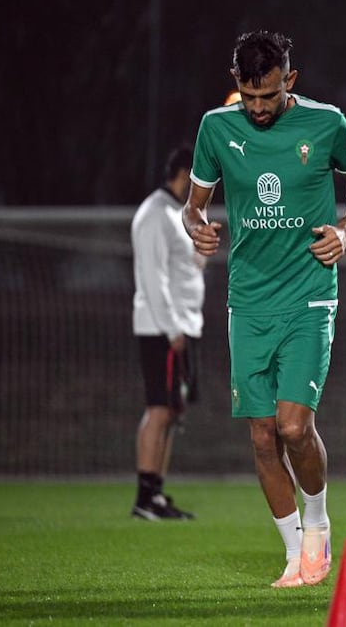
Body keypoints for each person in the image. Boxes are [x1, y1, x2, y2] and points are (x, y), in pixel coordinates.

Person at [183, 31, 346, 588]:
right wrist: (198, 228)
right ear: (236, 85)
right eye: (249, 97)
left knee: (294, 426)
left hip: (309, 294)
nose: (259, 107)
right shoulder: (216, 128)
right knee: (262, 435)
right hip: (248, 301)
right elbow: (192, 208)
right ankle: (296, 555)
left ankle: (318, 525)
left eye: (268, 95)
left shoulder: (326, 122)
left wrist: (345, 229)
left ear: (290, 80)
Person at [131, 145, 204, 521]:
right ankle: (144, 498)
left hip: (183, 326)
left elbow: (183, 270)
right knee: (158, 409)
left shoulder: (179, 214)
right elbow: (153, 278)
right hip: (161, 328)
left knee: (173, 411)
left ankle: (156, 495)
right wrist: (172, 327)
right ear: (186, 174)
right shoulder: (154, 214)